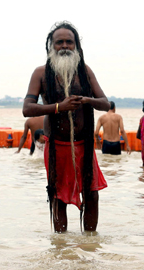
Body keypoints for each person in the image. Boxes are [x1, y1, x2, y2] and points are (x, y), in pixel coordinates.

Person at [23, 21, 110, 232]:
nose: (64, 46)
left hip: (84, 146)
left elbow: (105, 104)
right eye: (59, 42)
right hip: (57, 147)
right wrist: (59, 107)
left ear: (76, 46)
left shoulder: (85, 72)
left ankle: (90, 243)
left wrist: (87, 100)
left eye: (69, 42)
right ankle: (60, 245)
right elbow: (27, 108)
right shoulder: (41, 73)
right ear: (51, 46)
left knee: (92, 194)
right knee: (58, 196)